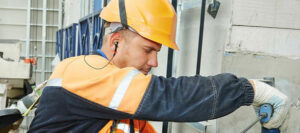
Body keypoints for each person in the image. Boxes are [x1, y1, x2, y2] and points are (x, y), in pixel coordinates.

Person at [28, 0, 289, 132]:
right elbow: (172, 96)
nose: (154, 62)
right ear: (116, 40)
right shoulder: (84, 72)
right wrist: (250, 91)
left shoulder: (118, 98)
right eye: (148, 50)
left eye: (157, 52)